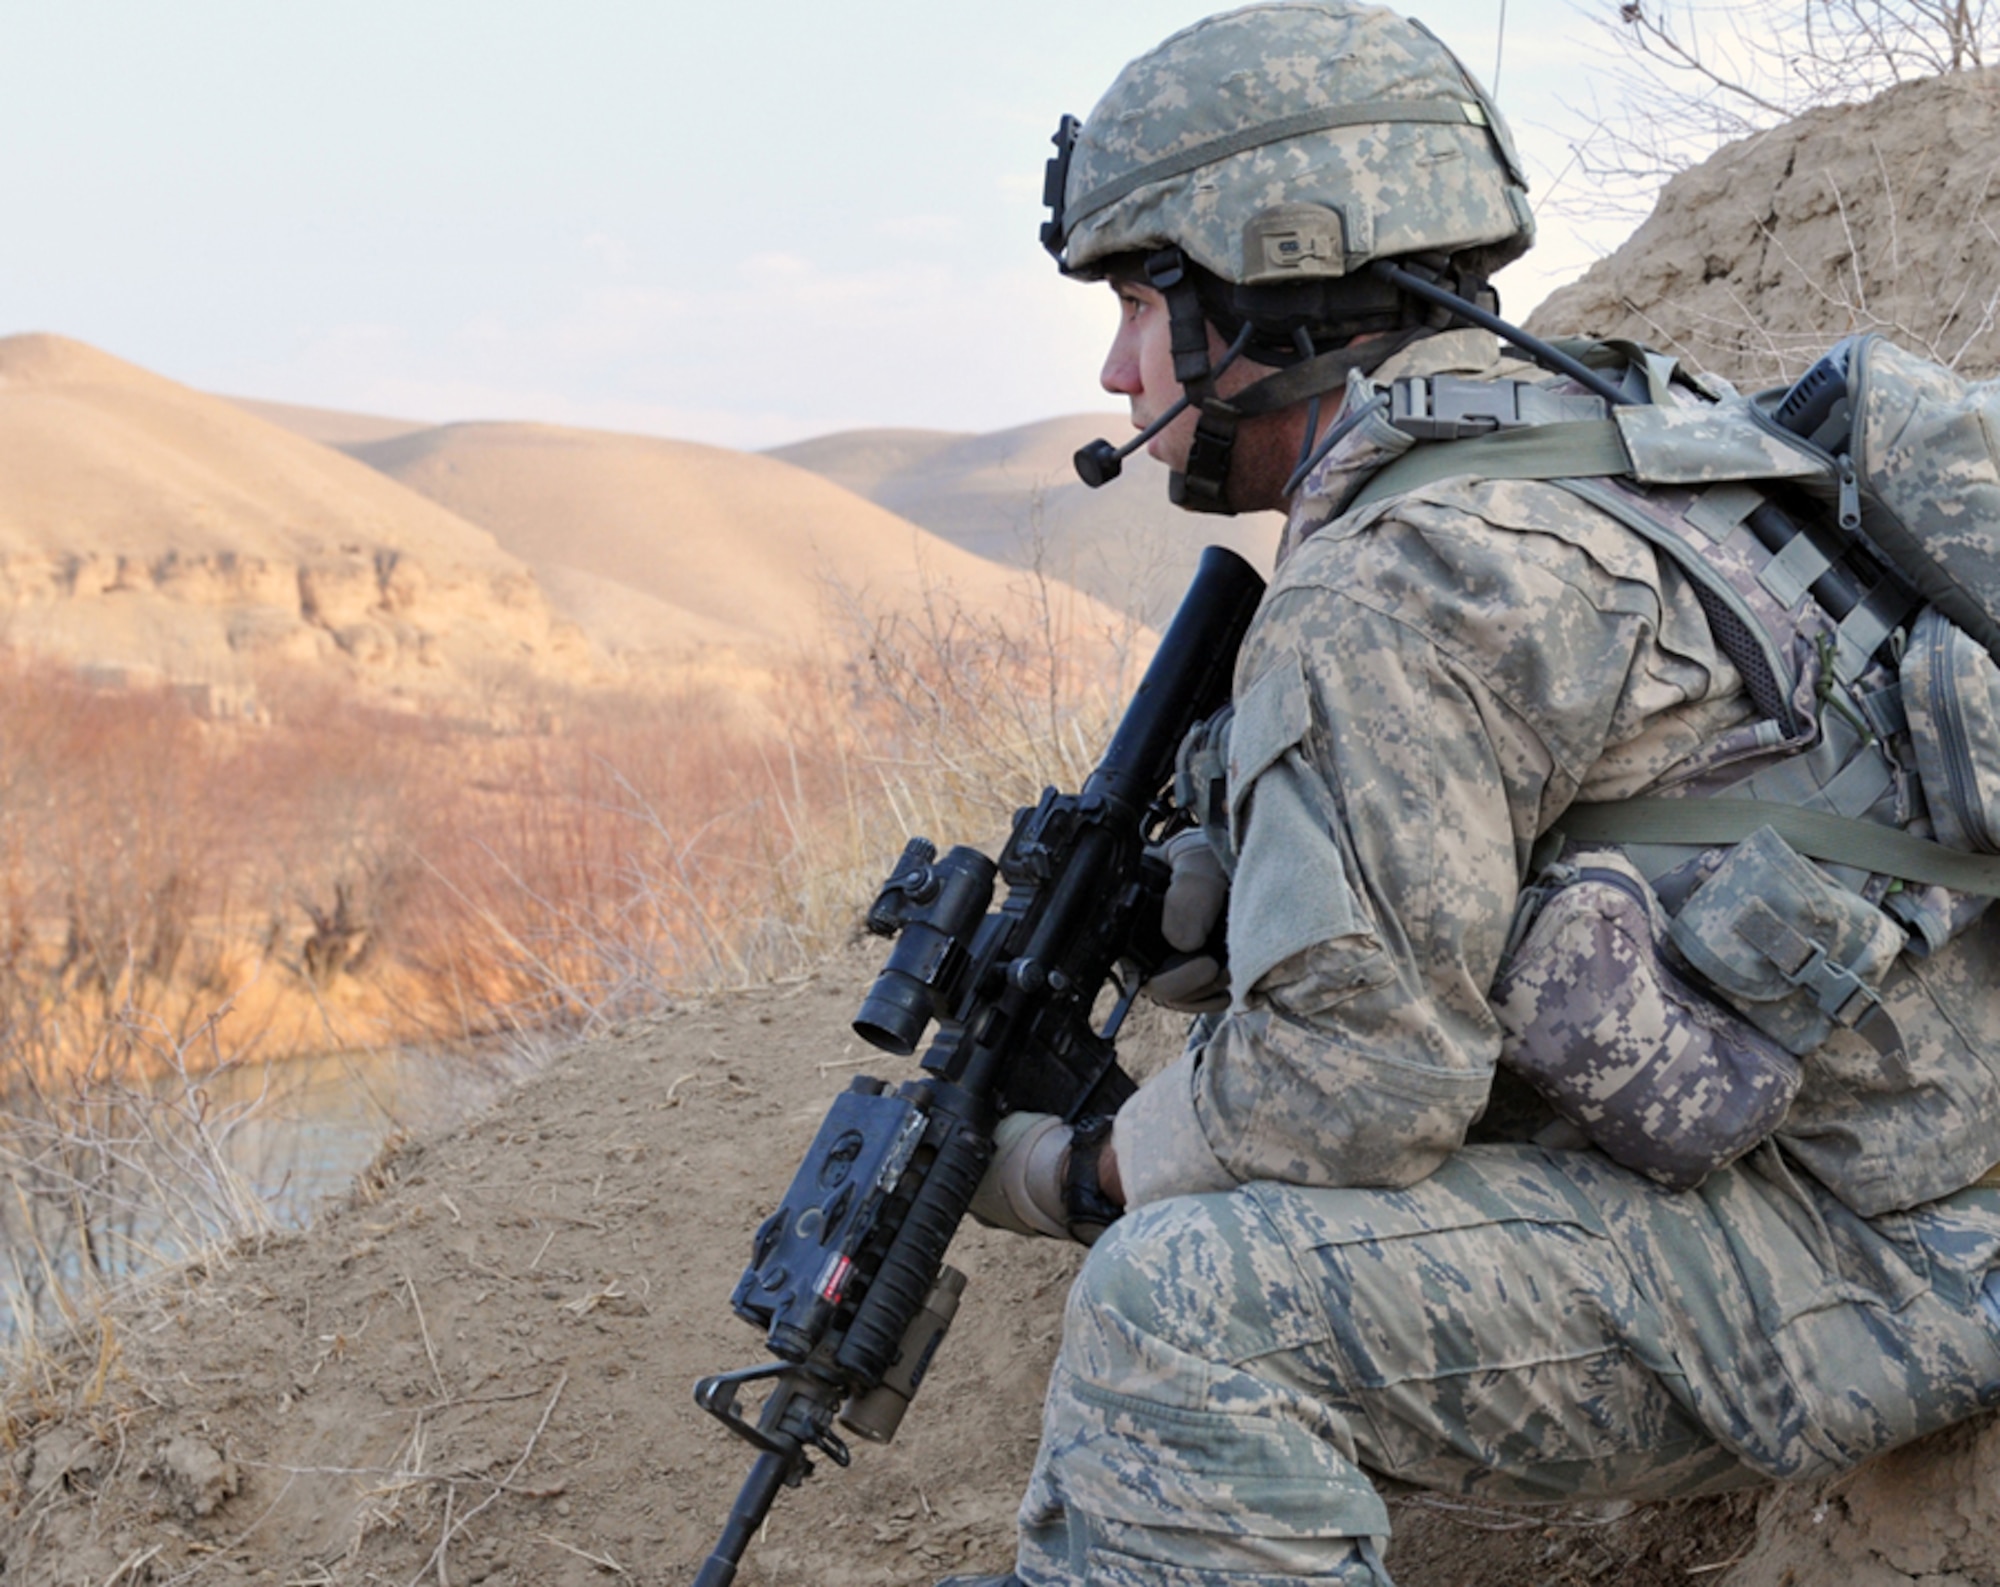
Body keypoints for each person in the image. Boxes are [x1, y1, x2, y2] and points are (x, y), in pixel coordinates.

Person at [941, 3, 2000, 1585]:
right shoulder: (1624, 429)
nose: (1114, 366)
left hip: (1901, 1262)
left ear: (1262, 281)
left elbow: (1360, 1093)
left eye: (1140, 300)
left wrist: (1065, 1173)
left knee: (1179, 1312)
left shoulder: (1387, 590)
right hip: (1933, 1166)